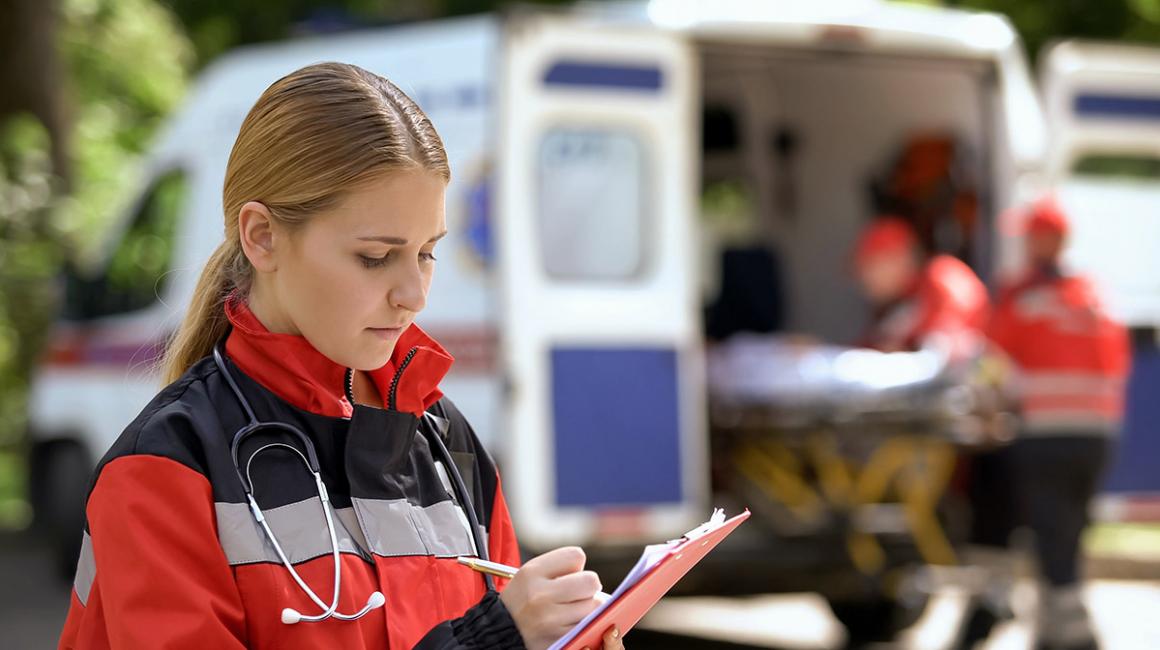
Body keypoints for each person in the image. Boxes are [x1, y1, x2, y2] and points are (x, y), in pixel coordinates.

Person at [58, 62, 623, 650]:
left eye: (427, 253)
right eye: (376, 257)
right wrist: (490, 641)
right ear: (262, 236)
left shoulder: (444, 439)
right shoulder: (165, 466)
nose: (415, 294)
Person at [988, 196, 1130, 650]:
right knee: (1071, 531)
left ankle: (1075, 630)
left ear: (1037, 240)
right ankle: (1052, 628)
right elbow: (1119, 360)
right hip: (1097, 437)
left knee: (1050, 532)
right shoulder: (1096, 296)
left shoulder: (1021, 296)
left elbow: (992, 359)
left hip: (1044, 433)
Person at [853, 217, 988, 355]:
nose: (864, 280)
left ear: (897, 259)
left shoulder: (940, 275)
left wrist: (911, 349)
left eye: (870, 267)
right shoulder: (893, 306)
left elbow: (959, 336)